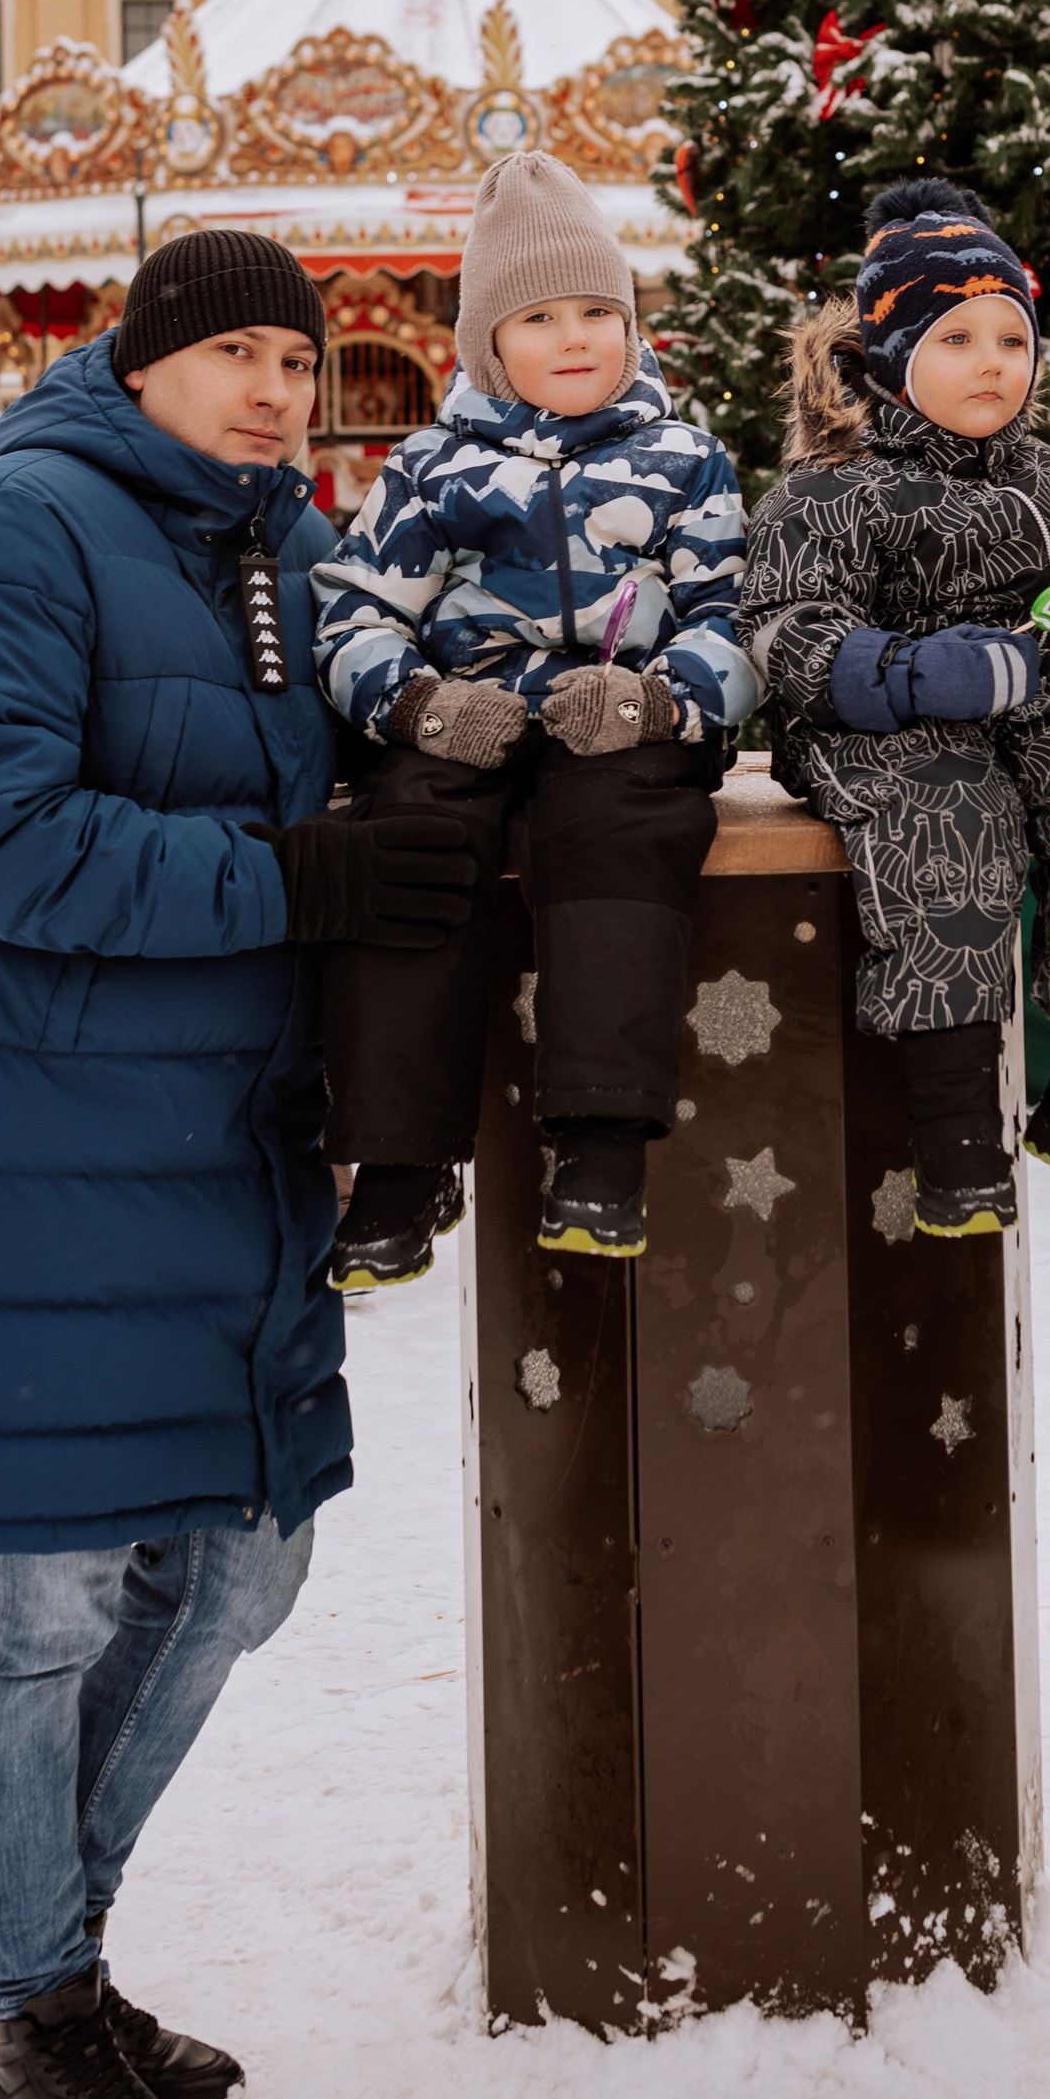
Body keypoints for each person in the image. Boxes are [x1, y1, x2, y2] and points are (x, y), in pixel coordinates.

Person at [0, 225, 475, 2099]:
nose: (280, 391)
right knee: (37, 1604)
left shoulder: (295, 560)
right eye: (235, 354)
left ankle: (28, 1965)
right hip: (40, 1150)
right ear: (136, 363)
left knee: (237, 1575)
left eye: (300, 363)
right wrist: (290, 885)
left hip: (234, 1154)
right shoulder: (5, 536)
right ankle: (37, 2011)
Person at [309, 147, 755, 1287]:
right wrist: (415, 704)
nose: (575, 337)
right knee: (407, 843)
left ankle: (601, 1143)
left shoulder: (681, 463)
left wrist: (662, 700)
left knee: (617, 833)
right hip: (467, 722)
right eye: (542, 315)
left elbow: (729, 617)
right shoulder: (432, 470)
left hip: (620, 723)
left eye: (599, 311)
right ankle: (399, 1161)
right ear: (486, 345)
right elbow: (355, 613)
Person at [738, 179, 1050, 1237]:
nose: (994, 362)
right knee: (953, 817)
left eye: (1011, 338)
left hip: (1026, 706)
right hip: (876, 725)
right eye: (957, 338)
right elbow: (785, 631)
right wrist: (909, 672)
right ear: (888, 357)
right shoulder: (831, 489)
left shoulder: (1049, 480)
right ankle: (957, 1130)